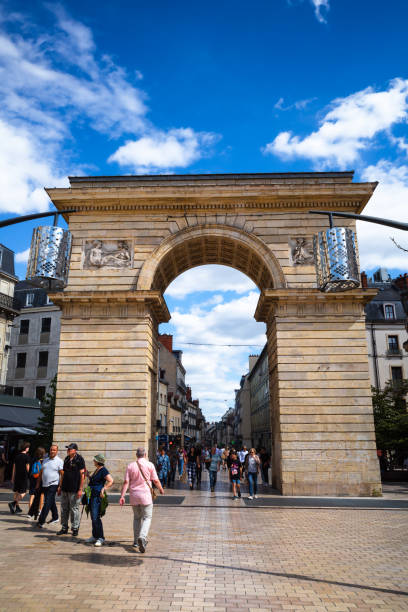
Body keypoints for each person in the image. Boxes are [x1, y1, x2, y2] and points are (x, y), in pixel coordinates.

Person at [120, 447, 164, 553]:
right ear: (145, 455)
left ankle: (135, 541)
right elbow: (155, 480)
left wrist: (122, 496)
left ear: (136, 455)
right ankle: (142, 537)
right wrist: (161, 489)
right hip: (145, 496)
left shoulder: (130, 466)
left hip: (134, 496)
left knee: (136, 518)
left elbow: (126, 482)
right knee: (147, 517)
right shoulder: (150, 465)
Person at [57, 443, 85, 536]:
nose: (68, 450)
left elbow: (82, 475)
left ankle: (75, 527)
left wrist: (80, 489)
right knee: (64, 508)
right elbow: (63, 474)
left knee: (74, 509)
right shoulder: (66, 459)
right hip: (65, 488)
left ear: (75, 450)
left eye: (70, 449)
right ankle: (64, 527)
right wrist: (60, 486)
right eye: (68, 449)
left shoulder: (79, 459)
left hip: (74, 489)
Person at [85, 454, 113, 547]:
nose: (93, 461)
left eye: (95, 460)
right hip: (92, 495)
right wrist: (88, 476)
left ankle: (101, 537)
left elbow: (111, 481)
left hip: (97, 495)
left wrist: (103, 488)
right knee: (93, 516)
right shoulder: (97, 470)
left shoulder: (103, 470)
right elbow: (94, 481)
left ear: (98, 461)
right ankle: (95, 535)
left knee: (96, 516)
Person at [36, 444, 64, 527]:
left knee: (47, 502)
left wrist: (60, 486)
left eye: (54, 450)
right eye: (51, 449)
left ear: (57, 451)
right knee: (51, 501)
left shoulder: (59, 461)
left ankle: (41, 521)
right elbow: (41, 472)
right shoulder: (45, 460)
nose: (52, 451)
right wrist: (38, 483)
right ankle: (55, 517)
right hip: (45, 484)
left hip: (53, 484)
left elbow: (62, 474)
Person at [9, 442, 30, 514]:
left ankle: (17, 507)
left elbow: (14, 468)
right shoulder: (27, 457)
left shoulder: (17, 456)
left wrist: (12, 477)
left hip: (17, 476)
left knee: (17, 491)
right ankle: (14, 503)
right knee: (23, 492)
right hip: (24, 476)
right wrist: (30, 475)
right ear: (26, 448)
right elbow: (28, 468)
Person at [27, 446, 45, 520]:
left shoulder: (32, 459)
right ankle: (39, 510)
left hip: (33, 479)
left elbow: (30, 470)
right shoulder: (43, 461)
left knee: (32, 495)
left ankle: (30, 511)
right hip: (40, 480)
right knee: (41, 495)